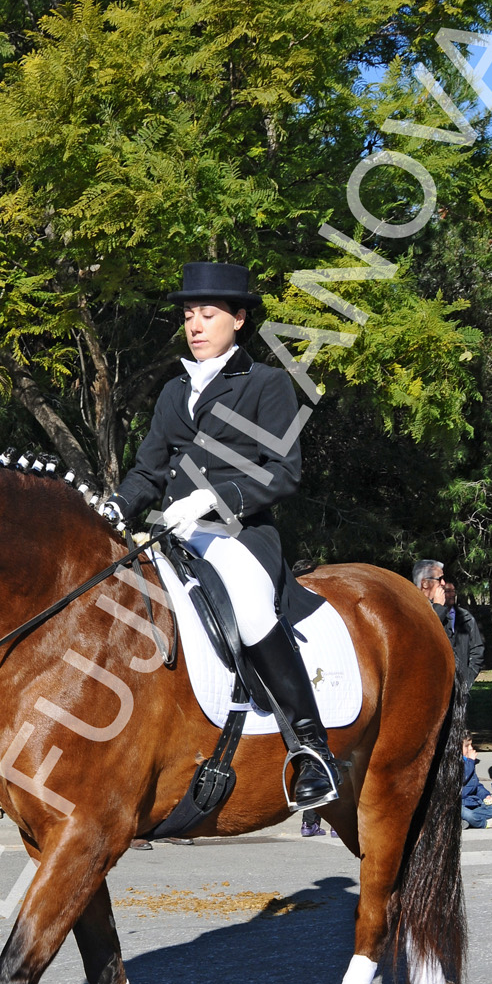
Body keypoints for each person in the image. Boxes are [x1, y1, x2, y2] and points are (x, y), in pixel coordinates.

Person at [103, 261, 338, 808]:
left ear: (238, 318)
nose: (196, 325)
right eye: (189, 315)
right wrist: (114, 506)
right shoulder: (172, 392)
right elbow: (147, 472)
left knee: (252, 613)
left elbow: (283, 473)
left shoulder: (267, 383)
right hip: (172, 535)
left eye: (208, 314)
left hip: (238, 535)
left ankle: (311, 748)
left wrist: (214, 499)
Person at [443, 582, 484, 691]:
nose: (452, 595)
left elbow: (477, 649)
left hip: (461, 685)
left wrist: (468, 677)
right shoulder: (432, 617)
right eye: (448, 591)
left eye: (453, 591)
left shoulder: (467, 618)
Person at [461, 734, 492, 829]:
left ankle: (466, 822)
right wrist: (471, 761)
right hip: (459, 805)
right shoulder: (458, 763)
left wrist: (486, 795)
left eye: (471, 745)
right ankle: (484, 824)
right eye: (467, 746)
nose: (471, 748)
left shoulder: (468, 762)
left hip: (472, 803)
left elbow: (476, 785)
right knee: (468, 814)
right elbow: (463, 778)